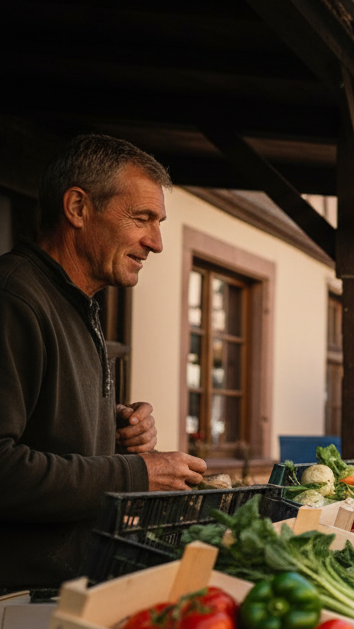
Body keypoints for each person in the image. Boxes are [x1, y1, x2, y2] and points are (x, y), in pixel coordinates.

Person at [0, 135, 208, 594]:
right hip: (14, 605)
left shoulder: (77, 303)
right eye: (142, 218)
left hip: (63, 589)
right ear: (78, 208)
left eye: (158, 223)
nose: (155, 242)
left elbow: (41, 433)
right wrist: (139, 472)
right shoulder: (14, 298)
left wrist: (112, 434)